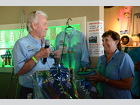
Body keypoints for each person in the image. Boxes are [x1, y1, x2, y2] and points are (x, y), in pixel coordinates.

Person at [12, 10, 60, 99]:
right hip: (30, 91)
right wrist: (38, 56)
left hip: (49, 89)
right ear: (34, 25)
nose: (47, 28)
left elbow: (52, 65)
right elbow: (18, 71)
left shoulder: (48, 43)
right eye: (44, 24)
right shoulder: (21, 44)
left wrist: (57, 58)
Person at [86, 30, 134, 99]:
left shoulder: (123, 57)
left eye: (106, 40)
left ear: (116, 42)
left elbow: (127, 85)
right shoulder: (100, 59)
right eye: (103, 41)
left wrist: (105, 80)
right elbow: (99, 79)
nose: (103, 43)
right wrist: (94, 78)